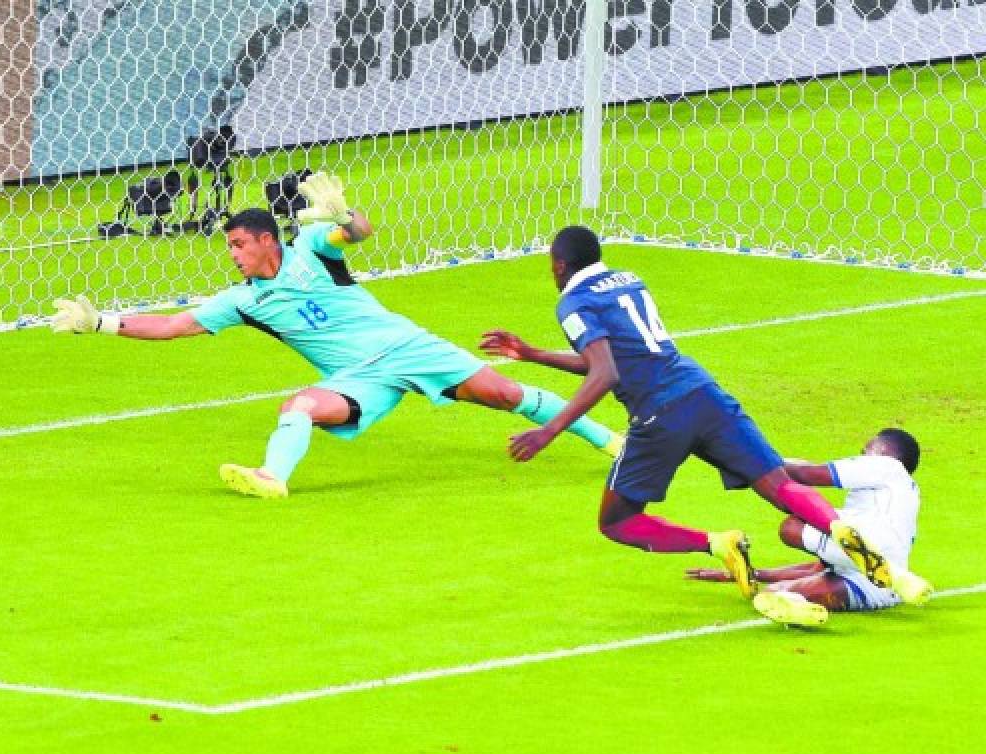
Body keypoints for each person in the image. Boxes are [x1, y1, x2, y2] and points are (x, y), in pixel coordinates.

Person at [51, 173, 622, 498]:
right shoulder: (243, 301)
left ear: (267, 242)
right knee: (298, 405)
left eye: (238, 245)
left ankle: (609, 441)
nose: (232, 255)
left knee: (504, 395)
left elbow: (362, 234)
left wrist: (345, 216)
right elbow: (175, 326)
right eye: (229, 248)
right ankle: (272, 478)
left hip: (406, 346)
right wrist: (103, 322)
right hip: (358, 379)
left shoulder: (311, 252)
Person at [479, 225, 931, 604]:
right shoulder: (628, 279)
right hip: (703, 390)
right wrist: (533, 354)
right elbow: (621, 356)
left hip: (659, 412)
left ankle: (716, 542)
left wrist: (550, 431)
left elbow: (605, 372)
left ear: (558, 266)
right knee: (778, 483)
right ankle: (845, 534)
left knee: (616, 521)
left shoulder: (573, 303)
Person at [686, 428, 929, 626]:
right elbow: (823, 564)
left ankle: (887, 570)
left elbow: (805, 473)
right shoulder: (897, 502)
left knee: (793, 524)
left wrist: (746, 459)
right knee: (773, 594)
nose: (860, 455)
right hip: (881, 590)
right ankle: (808, 614)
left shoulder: (886, 466)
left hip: (869, 566)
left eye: (865, 450)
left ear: (885, 452)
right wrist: (753, 573)